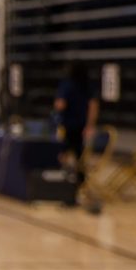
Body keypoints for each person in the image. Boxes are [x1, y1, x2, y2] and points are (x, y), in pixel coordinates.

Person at [53, 62, 100, 202]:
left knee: (63, 153)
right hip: (82, 126)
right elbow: (93, 106)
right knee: (80, 156)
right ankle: (80, 184)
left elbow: (60, 104)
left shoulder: (67, 85)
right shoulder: (88, 85)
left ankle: (63, 182)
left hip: (69, 125)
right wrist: (90, 125)